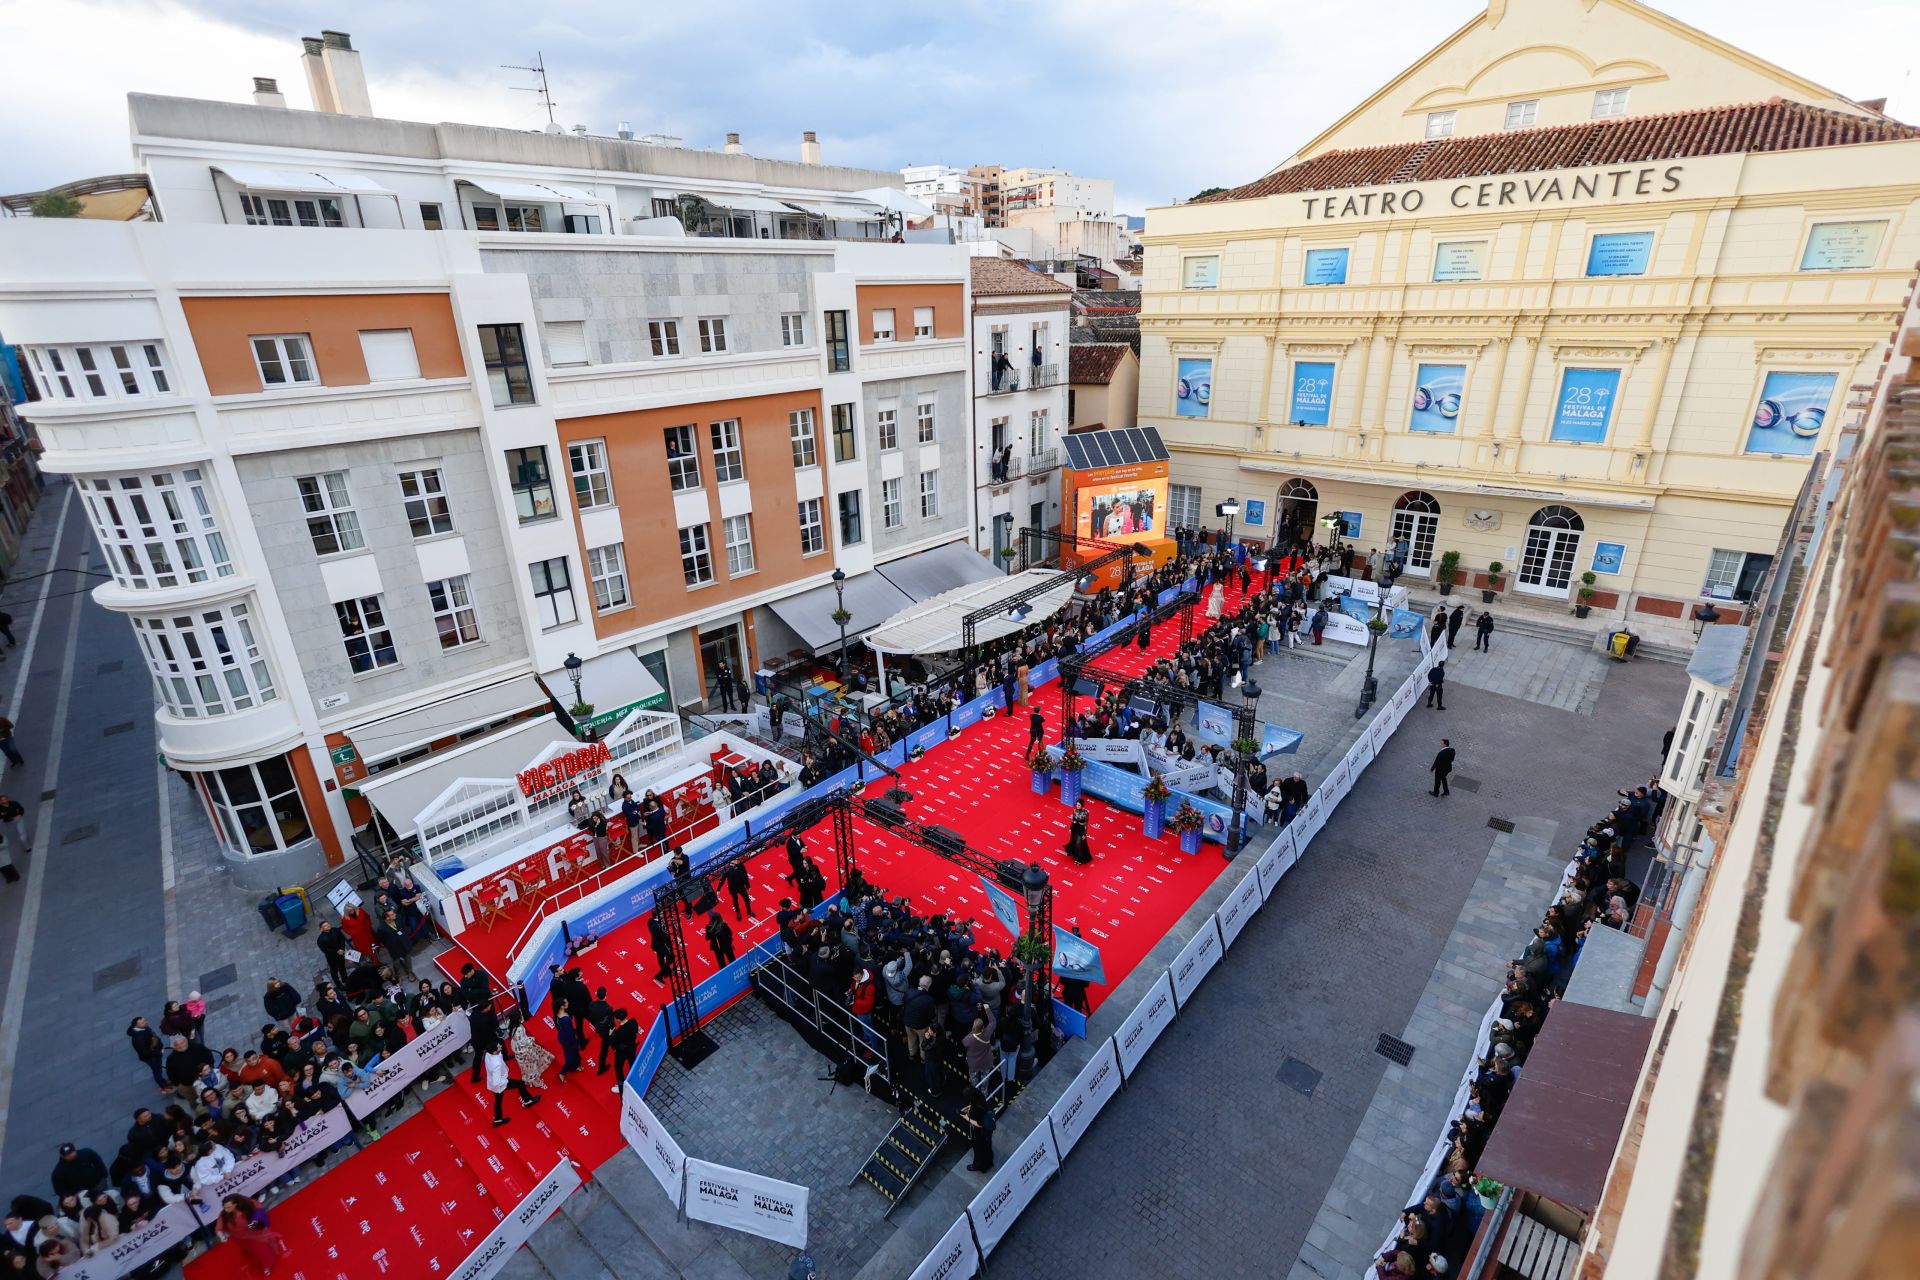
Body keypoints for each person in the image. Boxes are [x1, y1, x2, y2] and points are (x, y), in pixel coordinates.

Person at [483, 1045, 540, 1126]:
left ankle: (497, 1120)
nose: (500, 1046)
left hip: (493, 1083)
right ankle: (528, 1101)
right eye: (498, 1047)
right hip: (500, 1084)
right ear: (494, 1052)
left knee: (498, 1100)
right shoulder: (496, 1064)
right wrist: (505, 1082)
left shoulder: (488, 1054)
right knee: (520, 1084)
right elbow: (496, 1082)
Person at [508, 1014, 556, 1091]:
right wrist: (531, 1039)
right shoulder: (519, 1029)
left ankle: (530, 1079)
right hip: (524, 1050)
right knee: (531, 1065)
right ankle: (534, 1081)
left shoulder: (511, 1026)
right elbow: (522, 1042)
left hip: (519, 1050)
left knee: (527, 1066)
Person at [126, 1016, 168, 1092]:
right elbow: (146, 1052)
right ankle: (163, 1086)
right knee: (157, 1071)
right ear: (136, 1026)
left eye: (144, 1021)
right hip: (151, 1057)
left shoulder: (143, 1027)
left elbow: (153, 1036)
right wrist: (158, 1053)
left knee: (158, 1068)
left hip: (154, 1053)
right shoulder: (138, 1039)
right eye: (142, 1022)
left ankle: (163, 1081)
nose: (146, 1023)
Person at [961, 1087, 997, 1172]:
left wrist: (966, 1117)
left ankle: (978, 1166)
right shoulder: (980, 1097)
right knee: (987, 1147)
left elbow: (979, 1124)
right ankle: (988, 1162)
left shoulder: (976, 1110)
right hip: (987, 1132)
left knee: (979, 1149)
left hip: (980, 1133)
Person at [604, 1009, 639, 1093]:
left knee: (618, 1067)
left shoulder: (619, 1032)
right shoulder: (633, 1021)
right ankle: (636, 1080)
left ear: (618, 1019)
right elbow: (636, 1031)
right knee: (632, 1063)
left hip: (622, 1052)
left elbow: (613, 1045)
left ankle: (621, 1087)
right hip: (632, 1047)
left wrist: (610, 1035)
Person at [315, 920, 349, 987]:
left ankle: (345, 979)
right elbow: (326, 950)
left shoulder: (335, 930)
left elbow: (342, 939)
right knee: (334, 972)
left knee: (342, 967)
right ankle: (339, 985)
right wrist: (337, 951)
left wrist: (342, 949)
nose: (327, 926)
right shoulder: (320, 939)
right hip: (332, 958)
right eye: (325, 926)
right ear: (321, 929)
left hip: (340, 954)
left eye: (328, 924)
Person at [647, 912, 675, 984]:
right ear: (657, 915)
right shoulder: (658, 927)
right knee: (671, 958)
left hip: (656, 944)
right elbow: (664, 937)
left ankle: (666, 972)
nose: (663, 915)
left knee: (661, 959)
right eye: (662, 914)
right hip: (662, 945)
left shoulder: (650, 920)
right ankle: (659, 975)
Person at [1065, 801, 1092, 865]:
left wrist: (1085, 834)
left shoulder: (1086, 812)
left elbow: (1086, 824)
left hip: (1081, 829)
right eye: (1077, 805)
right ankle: (1074, 854)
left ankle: (1079, 859)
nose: (1077, 806)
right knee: (1073, 841)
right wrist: (1070, 828)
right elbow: (1073, 820)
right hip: (1075, 828)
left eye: (1079, 805)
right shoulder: (1075, 811)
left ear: (1082, 805)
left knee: (1078, 844)